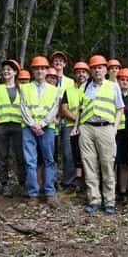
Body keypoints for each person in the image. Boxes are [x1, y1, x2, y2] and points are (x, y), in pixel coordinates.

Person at [77, 55, 123, 214]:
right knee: (89, 164)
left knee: (107, 164)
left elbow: (120, 108)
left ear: (105, 70)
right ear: (91, 70)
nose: (97, 70)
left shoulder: (113, 86)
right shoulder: (85, 86)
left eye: (100, 67)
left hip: (106, 128)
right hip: (87, 128)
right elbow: (80, 109)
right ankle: (94, 200)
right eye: (94, 67)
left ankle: (109, 201)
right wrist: (78, 126)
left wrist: (114, 128)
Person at [20, 56, 61, 203]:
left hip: (47, 129)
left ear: (47, 70)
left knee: (49, 160)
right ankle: (33, 194)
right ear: (32, 70)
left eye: (42, 68)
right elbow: (23, 108)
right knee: (31, 161)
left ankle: (50, 192)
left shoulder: (55, 90)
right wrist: (33, 124)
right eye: (37, 68)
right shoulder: (24, 88)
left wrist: (42, 124)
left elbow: (54, 109)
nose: (39, 71)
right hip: (28, 128)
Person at [0, 59, 26, 197]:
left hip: (19, 126)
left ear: (15, 72)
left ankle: (22, 184)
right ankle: (5, 185)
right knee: (1, 156)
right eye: (4, 69)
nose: (6, 71)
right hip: (2, 126)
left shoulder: (22, 89)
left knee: (21, 156)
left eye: (9, 69)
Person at [60, 61, 89, 191]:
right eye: (78, 72)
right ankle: (69, 182)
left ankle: (84, 182)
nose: (81, 74)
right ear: (74, 75)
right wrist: (76, 119)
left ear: (88, 74)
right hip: (70, 126)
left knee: (86, 154)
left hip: (87, 127)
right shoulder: (69, 90)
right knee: (69, 154)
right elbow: (64, 109)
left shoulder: (92, 89)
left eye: (83, 72)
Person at [50, 50, 76, 189]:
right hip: (50, 122)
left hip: (66, 121)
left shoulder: (71, 82)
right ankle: (52, 180)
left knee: (68, 153)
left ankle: (68, 182)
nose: (58, 62)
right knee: (52, 153)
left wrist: (63, 116)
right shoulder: (48, 79)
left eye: (61, 60)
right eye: (56, 60)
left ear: (65, 64)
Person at [115, 68, 128, 203]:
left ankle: (127, 189)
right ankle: (119, 190)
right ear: (118, 80)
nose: (125, 82)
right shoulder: (113, 95)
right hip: (116, 132)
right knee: (116, 163)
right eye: (122, 79)